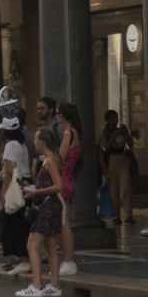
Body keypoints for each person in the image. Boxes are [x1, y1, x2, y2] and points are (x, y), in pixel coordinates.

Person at [16, 128, 65, 297]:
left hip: (48, 206)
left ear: (42, 142)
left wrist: (35, 192)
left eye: (36, 140)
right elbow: (48, 184)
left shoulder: (50, 161)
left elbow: (58, 186)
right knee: (50, 246)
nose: (34, 144)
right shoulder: (53, 159)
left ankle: (36, 286)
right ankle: (55, 285)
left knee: (32, 245)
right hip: (52, 205)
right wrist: (31, 189)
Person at [0, 117, 31, 275]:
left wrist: (2, 194)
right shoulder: (21, 145)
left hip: (16, 183)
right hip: (24, 181)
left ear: (6, 131)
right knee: (22, 223)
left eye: (2, 130)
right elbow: (10, 171)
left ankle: (23, 259)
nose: (0, 133)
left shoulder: (10, 145)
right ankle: (22, 257)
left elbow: (9, 172)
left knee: (15, 223)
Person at [55, 101, 82, 274]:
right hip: (69, 178)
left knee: (64, 223)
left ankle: (69, 260)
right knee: (62, 222)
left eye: (58, 113)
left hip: (63, 180)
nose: (56, 115)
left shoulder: (67, 133)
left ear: (63, 116)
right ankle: (67, 259)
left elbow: (60, 158)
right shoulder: (76, 133)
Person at [98, 110, 134, 225]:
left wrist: (126, 133)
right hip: (112, 160)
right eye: (113, 118)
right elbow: (107, 146)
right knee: (114, 189)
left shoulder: (121, 130)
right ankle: (115, 215)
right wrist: (115, 135)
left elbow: (130, 144)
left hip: (123, 159)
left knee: (126, 187)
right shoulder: (105, 131)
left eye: (116, 118)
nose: (115, 121)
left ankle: (129, 215)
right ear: (107, 120)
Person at [32, 97, 63, 181]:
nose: (39, 111)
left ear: (51, 109)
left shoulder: (57, 127)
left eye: (42, 108)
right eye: (38, 109)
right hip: (42, 164)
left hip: (54, 164)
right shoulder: (40, 128)